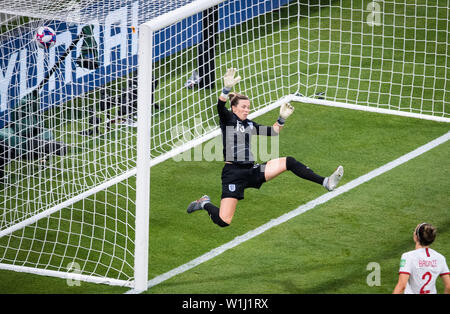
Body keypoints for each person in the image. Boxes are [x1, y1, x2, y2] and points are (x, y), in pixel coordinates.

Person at [186, 68, 344, 228]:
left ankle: (326, 182)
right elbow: (220, 106)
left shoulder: (249, 124)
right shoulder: (228, 119)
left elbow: (273, 132)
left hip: (252, 170)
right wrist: (226, 89)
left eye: (248, 107)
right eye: (244, 107)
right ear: (234, 108)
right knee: (224, 221)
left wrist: (281, 118)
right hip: (233, 174)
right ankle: (205, 203)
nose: (247, 110)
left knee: (289, 162)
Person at [393, 222, 450, 294]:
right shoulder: (440, 258)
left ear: (416, 237)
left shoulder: (408, 256)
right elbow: (448, 286)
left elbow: (401, 286)